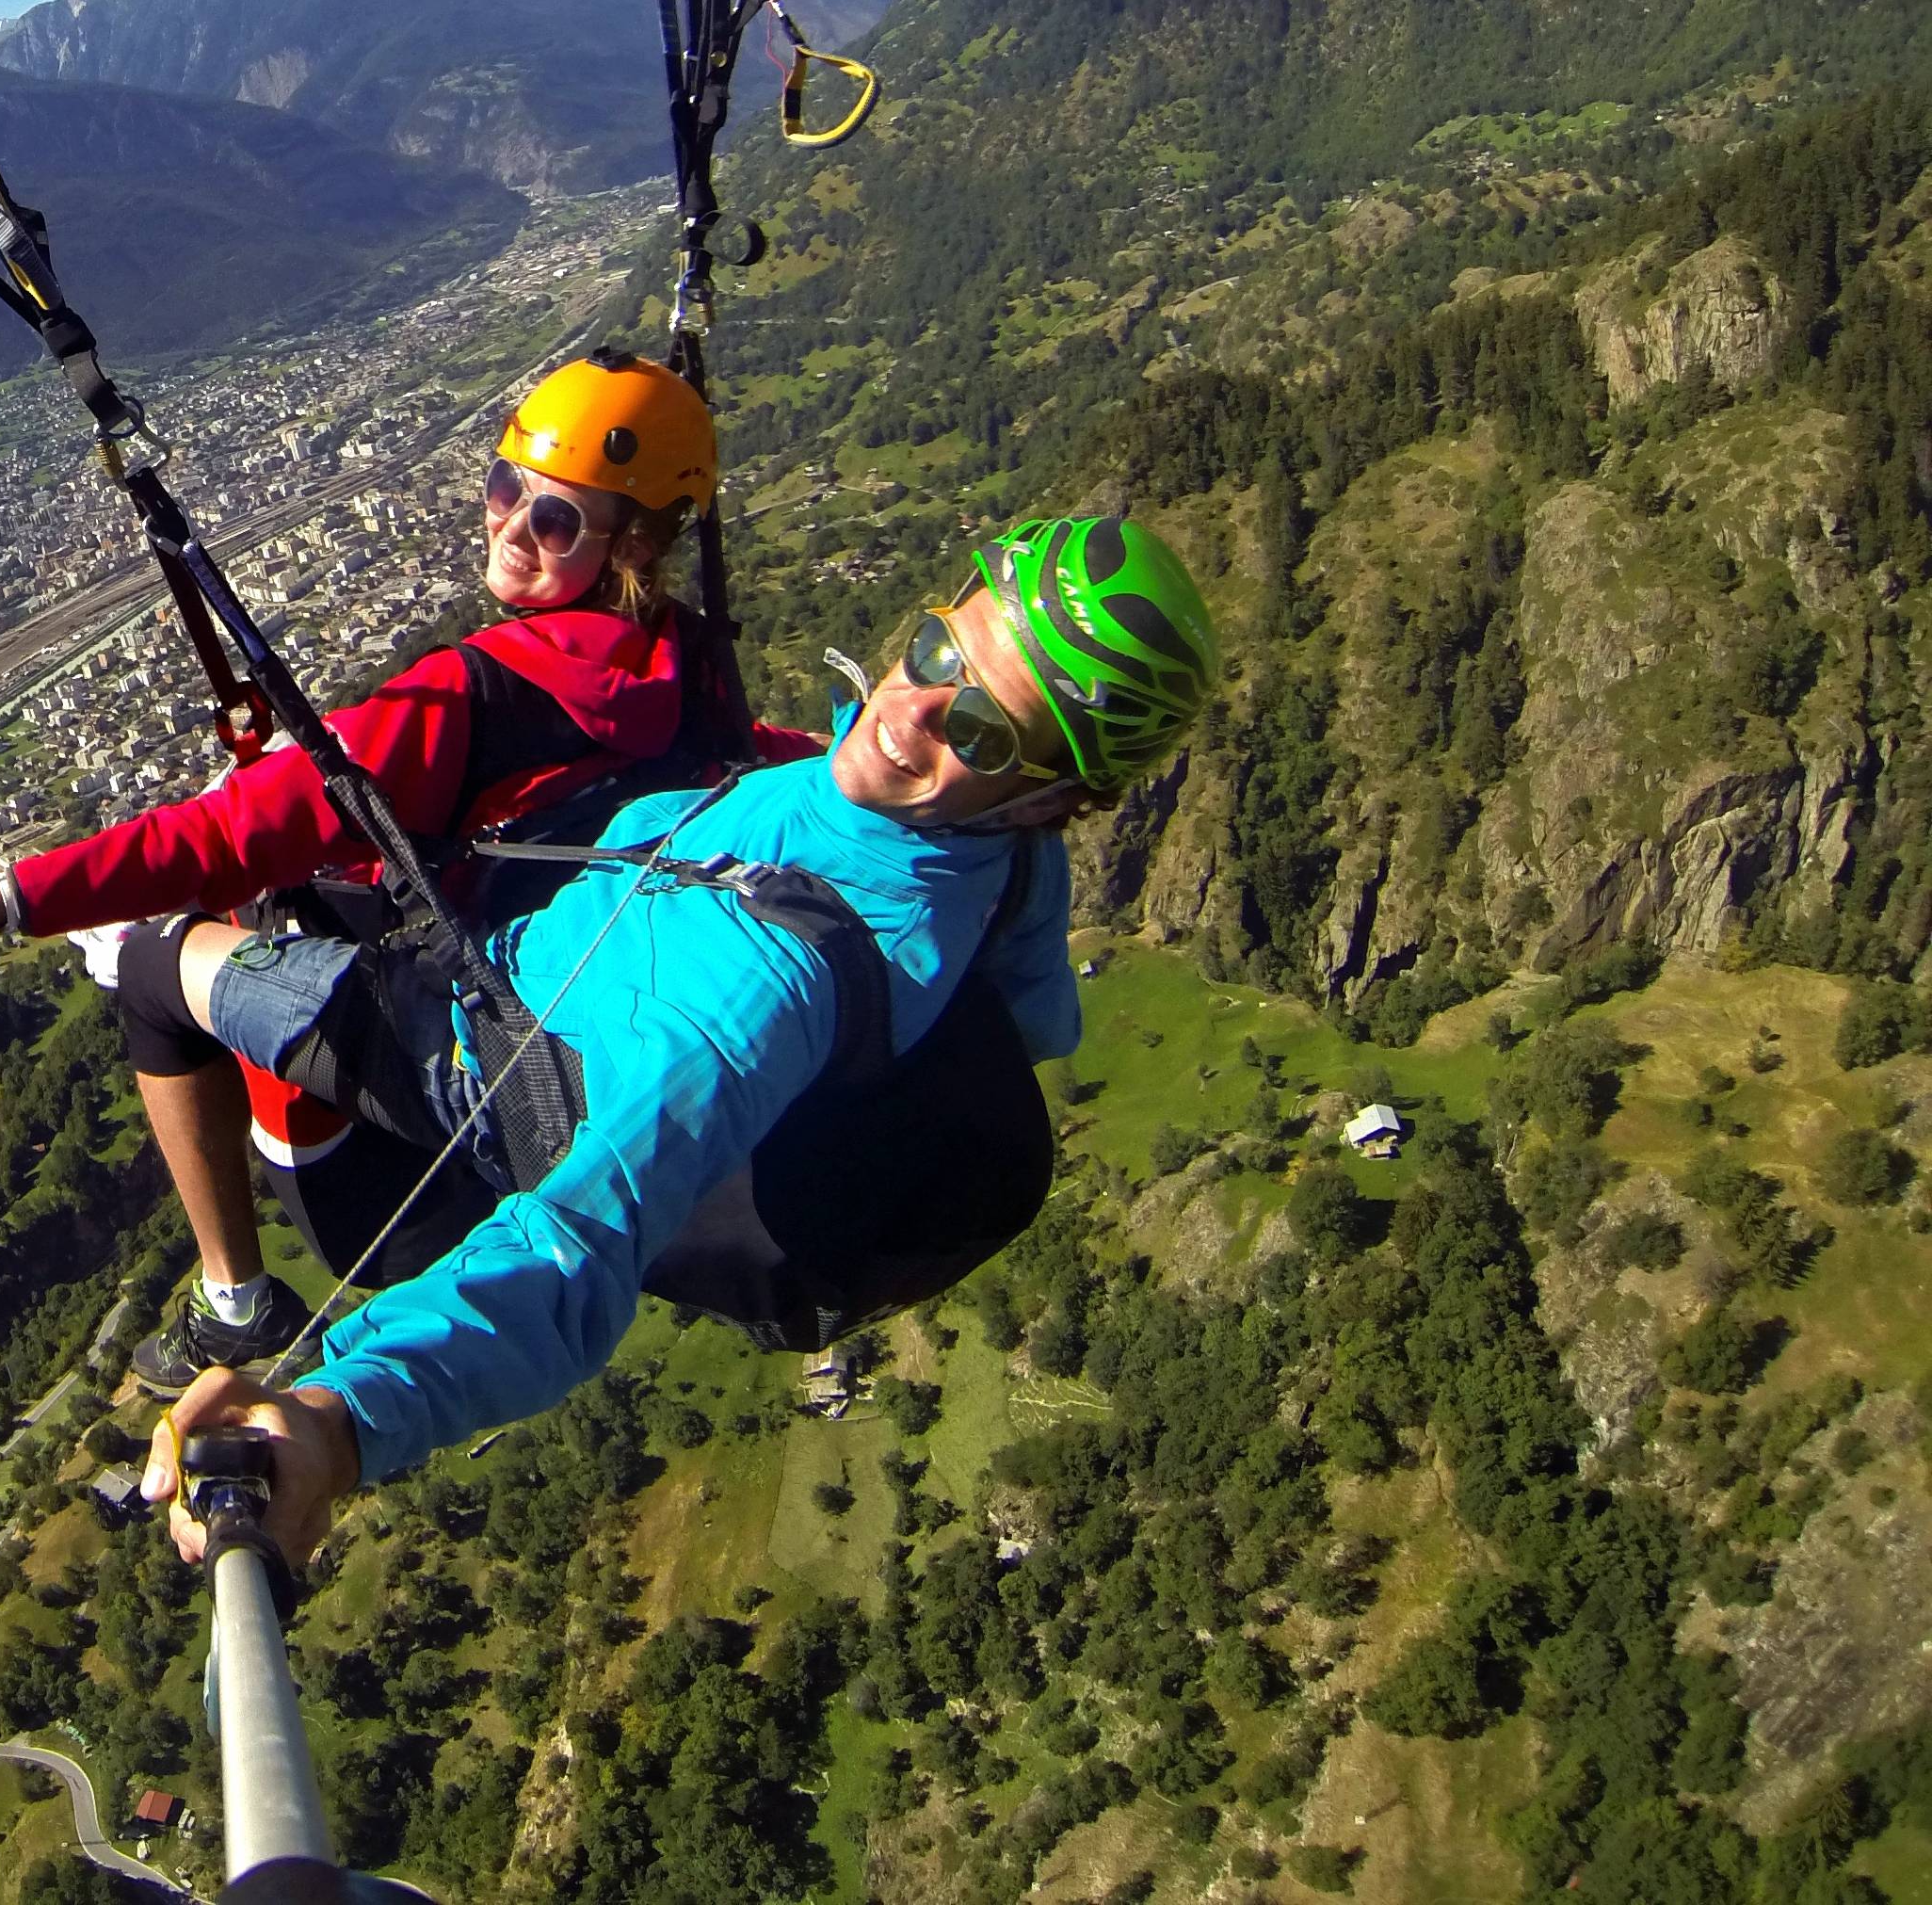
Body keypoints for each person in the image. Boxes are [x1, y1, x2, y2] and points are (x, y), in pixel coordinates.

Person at [133, 512, 1221, 1574]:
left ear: (1042, 799)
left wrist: (337, 1419)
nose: (913, 710)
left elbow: (571, 1257)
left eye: (979, 731)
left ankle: (232, 1296)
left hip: (477, 1056)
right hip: (537, 959)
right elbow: (1027, 1017)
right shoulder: (996, 862)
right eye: (940, 649)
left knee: (150, 961)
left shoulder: (754, 992)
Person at [0, 347, 801, 1387]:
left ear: (631, 540)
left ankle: (234, 1303)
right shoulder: (689, 663)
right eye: (506, 488)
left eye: (554, 519)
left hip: (412, 1177)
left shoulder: (465, 699)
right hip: (594, 1079)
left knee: (148, 961)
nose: (508, 526)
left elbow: (217, 838)